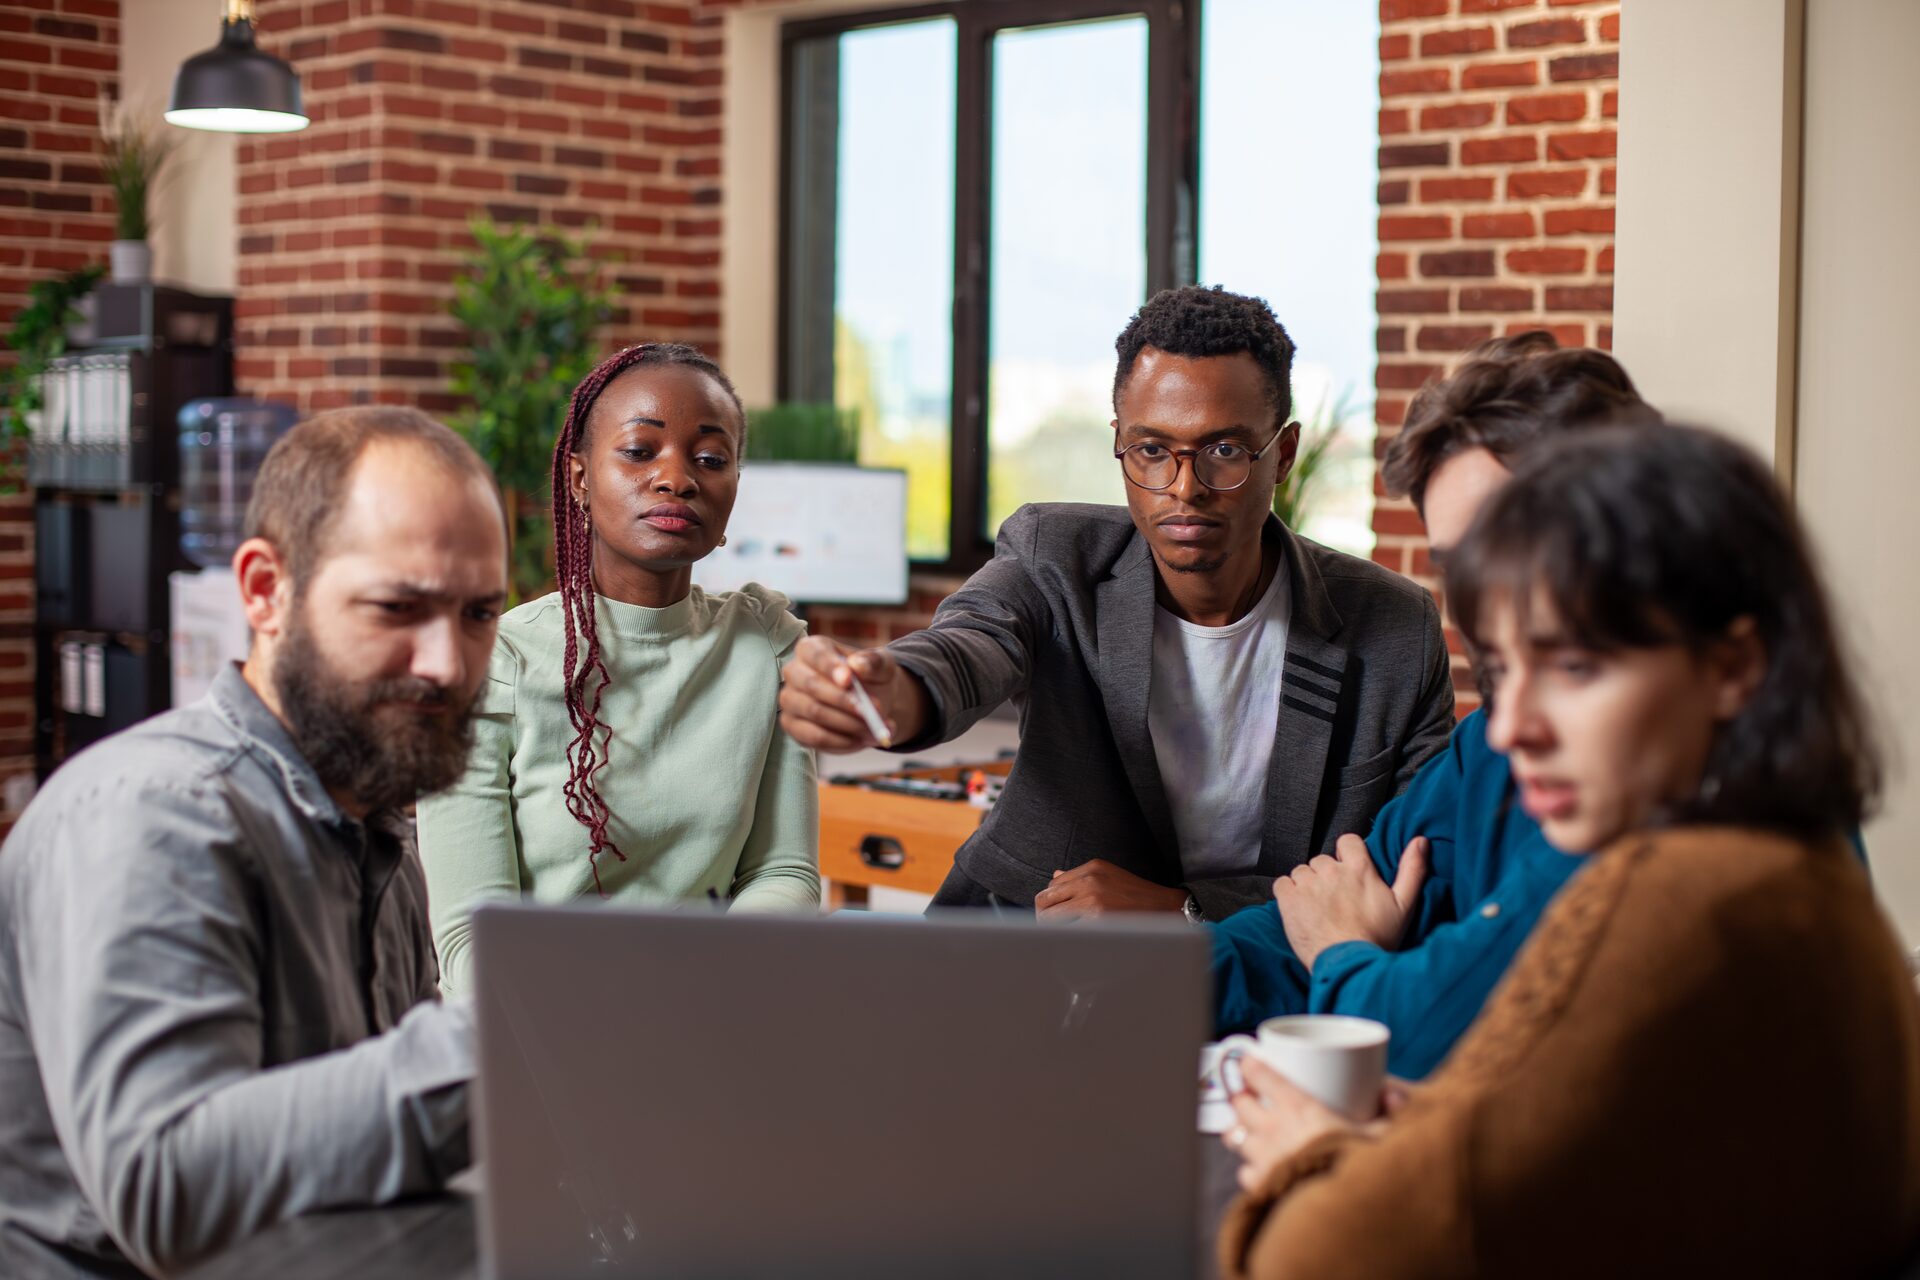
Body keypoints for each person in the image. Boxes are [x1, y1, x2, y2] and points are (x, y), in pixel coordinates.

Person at [1219, 423, 1920, 1279]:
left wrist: (1313, 1158)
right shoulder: (1779, 863)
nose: (1512, 729)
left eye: (1577, 668)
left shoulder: (1688, 894)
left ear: (1734, 668)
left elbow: (1317, 1259)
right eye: (1507, 667)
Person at [0, 408, 508, 1278]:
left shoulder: (377, 836)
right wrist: (515, 1039)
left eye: (478, 614)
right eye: (399, 607)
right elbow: (168, 1185)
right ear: (265, 590)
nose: (448, 664)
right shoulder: (154, 815)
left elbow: (360, 1155)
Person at [1209, 335, 1665, 1076]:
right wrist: (1127, 986)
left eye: (1509, 549)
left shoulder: (1663, 779)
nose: (1484, 604)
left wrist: (1344, 953)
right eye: (1461, 567)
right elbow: (1324, 911)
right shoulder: (1488, 745)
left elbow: (1428, 1029)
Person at [418, 343, 819, 997]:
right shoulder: (494, 664)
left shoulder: (767, 644)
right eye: (639, 450)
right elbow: (468, 943)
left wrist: (695, 988)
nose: (676, 479)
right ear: (580, 480)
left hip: (718, 1005)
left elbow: (785, 875)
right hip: (536, 1019)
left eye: (710, 459)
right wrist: (623, 1007)